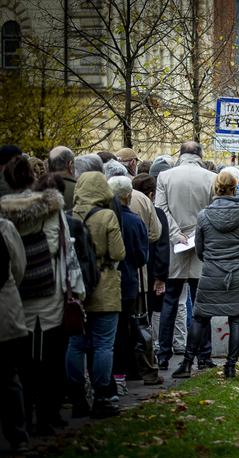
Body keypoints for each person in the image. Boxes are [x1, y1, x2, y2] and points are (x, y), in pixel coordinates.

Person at [0, 157, 73, 434]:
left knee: (22, 361)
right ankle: (46, 416)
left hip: (16, 292)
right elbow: (58, 246)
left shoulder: (4, 211)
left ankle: (23, 418)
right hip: (48, 288)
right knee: (51, 358)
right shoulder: (51, 206)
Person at [172, 171, 239, 379]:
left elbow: (199, 249)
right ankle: (230, 366)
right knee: (236, 319)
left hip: (211, 272)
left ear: (216, 188)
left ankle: (187, 363)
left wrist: (212, 260)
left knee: (200, 318)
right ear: (235, 188)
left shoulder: (204, 215)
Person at [154, 141, 216, 370]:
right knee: (203, 303)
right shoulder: (211, 177)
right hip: (201, 245)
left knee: (170, 300)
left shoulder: (165, 177)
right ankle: (204, 354)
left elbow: (161, 209)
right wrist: (196, 234)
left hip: (175, 246)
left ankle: (163, 354)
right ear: (199, 155)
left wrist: (176, 234)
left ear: (181, 154)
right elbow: (213, 210)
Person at [69, 171, 126, 419]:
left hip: (76, 286)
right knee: (104, 344)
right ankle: (102, 396)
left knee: (76, 344)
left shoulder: (69, 216)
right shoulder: (106, 216)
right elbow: (118, 252)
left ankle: (76, 397)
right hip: (104, 286)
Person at [108, 177, 163, 390]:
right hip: (131, 280)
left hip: (104, 283)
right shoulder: (135, 219)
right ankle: (141, 370)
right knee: (136, 325)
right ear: (128, 195)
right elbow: (144, 252)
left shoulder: (98, 215)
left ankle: (111, 377)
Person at [0, 217, 29, 452]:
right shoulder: (4, 227)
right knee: (9, 375)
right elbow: (19, 266)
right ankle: (17, 434)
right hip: (5, 310)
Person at [132, 174, 169, 349]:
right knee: (152, 311)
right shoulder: (157, 213)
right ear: (152, 194)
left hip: (135, 271)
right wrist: (161, 275)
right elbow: (162, 245)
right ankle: (151, 344)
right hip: (151, 270)